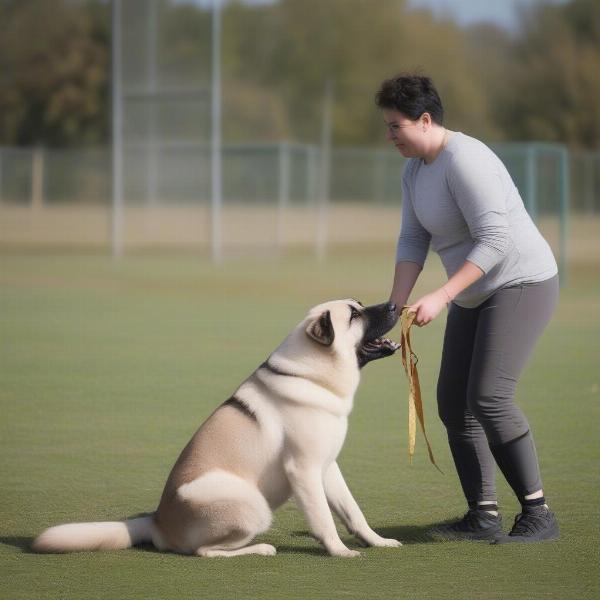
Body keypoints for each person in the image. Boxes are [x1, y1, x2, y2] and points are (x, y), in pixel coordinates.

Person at [376, 74, 560, 543]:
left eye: (395, 126)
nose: (390, 135)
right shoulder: (415, 170)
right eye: (387, 126)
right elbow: (413, 238)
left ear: (425, 119)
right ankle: (482, 516)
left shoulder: (465, 160)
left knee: (489, 398)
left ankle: (538, 513)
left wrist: (440, 295)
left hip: (521, 282)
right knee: (454, 405)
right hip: (475, 291)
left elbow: (496, 240)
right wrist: (394, 306)